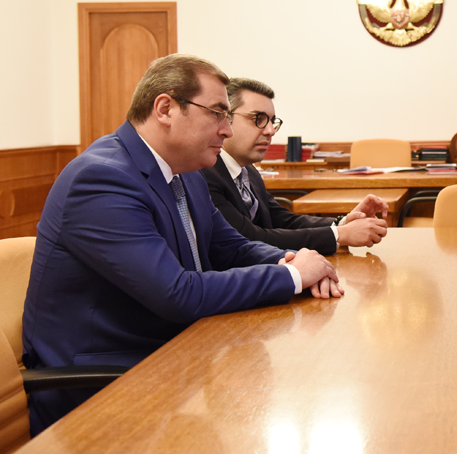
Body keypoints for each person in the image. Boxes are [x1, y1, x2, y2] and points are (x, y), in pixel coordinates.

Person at [22, 54, 341, 434]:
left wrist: (294, 260)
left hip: (173, 357)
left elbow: (232, 247)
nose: (226, 129)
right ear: (165, 108)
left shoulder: (186, 172)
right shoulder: (101, 179)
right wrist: (291, 276)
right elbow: (177, 293)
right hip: (100, 386)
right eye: (218, 113)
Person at [201, 77, 388, 255]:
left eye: (272, 121)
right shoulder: (205, 174)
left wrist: (344, 222)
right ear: (226, 118)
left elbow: (281, 220)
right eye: (258, 119)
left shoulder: (248, 171)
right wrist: (340, 235)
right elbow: (249, 238)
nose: (270, 131)